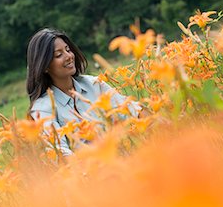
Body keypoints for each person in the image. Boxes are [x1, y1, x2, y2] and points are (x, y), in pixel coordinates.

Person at [26, 28, 140, 156]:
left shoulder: (94, 84)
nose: (69, 56)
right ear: (45, 66)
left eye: (68, 50)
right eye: (59, 55)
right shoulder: (42, 109)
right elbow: (59, 153)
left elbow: (133, 111)